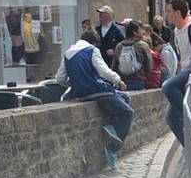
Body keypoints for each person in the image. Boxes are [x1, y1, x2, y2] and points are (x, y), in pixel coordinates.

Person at [55, 30, 133, 170]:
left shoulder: (67, 54)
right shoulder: (92, 50)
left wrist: (74, 83)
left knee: (125, 97)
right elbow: (104, 71)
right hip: (98, 91)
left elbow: (59, 78)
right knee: (127, 112)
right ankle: (113, 146)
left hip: (80, 94)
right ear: (94, 42)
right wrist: (118, 80)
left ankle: (112, 124)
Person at [162, 0, 191, 146]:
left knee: (167, 86)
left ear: (178, 12)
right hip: (186, 72)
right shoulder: (176, 31)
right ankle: (190, 148)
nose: (166, 15)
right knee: (171, 118)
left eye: (169, 11)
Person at [112, 20, 153, 91]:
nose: (143, 32)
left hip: (123, 82)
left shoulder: (119, 46)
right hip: (139, 81)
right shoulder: (142, 45)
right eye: (141, 29)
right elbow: (149, 65)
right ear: (135, 32)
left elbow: (114, 66)